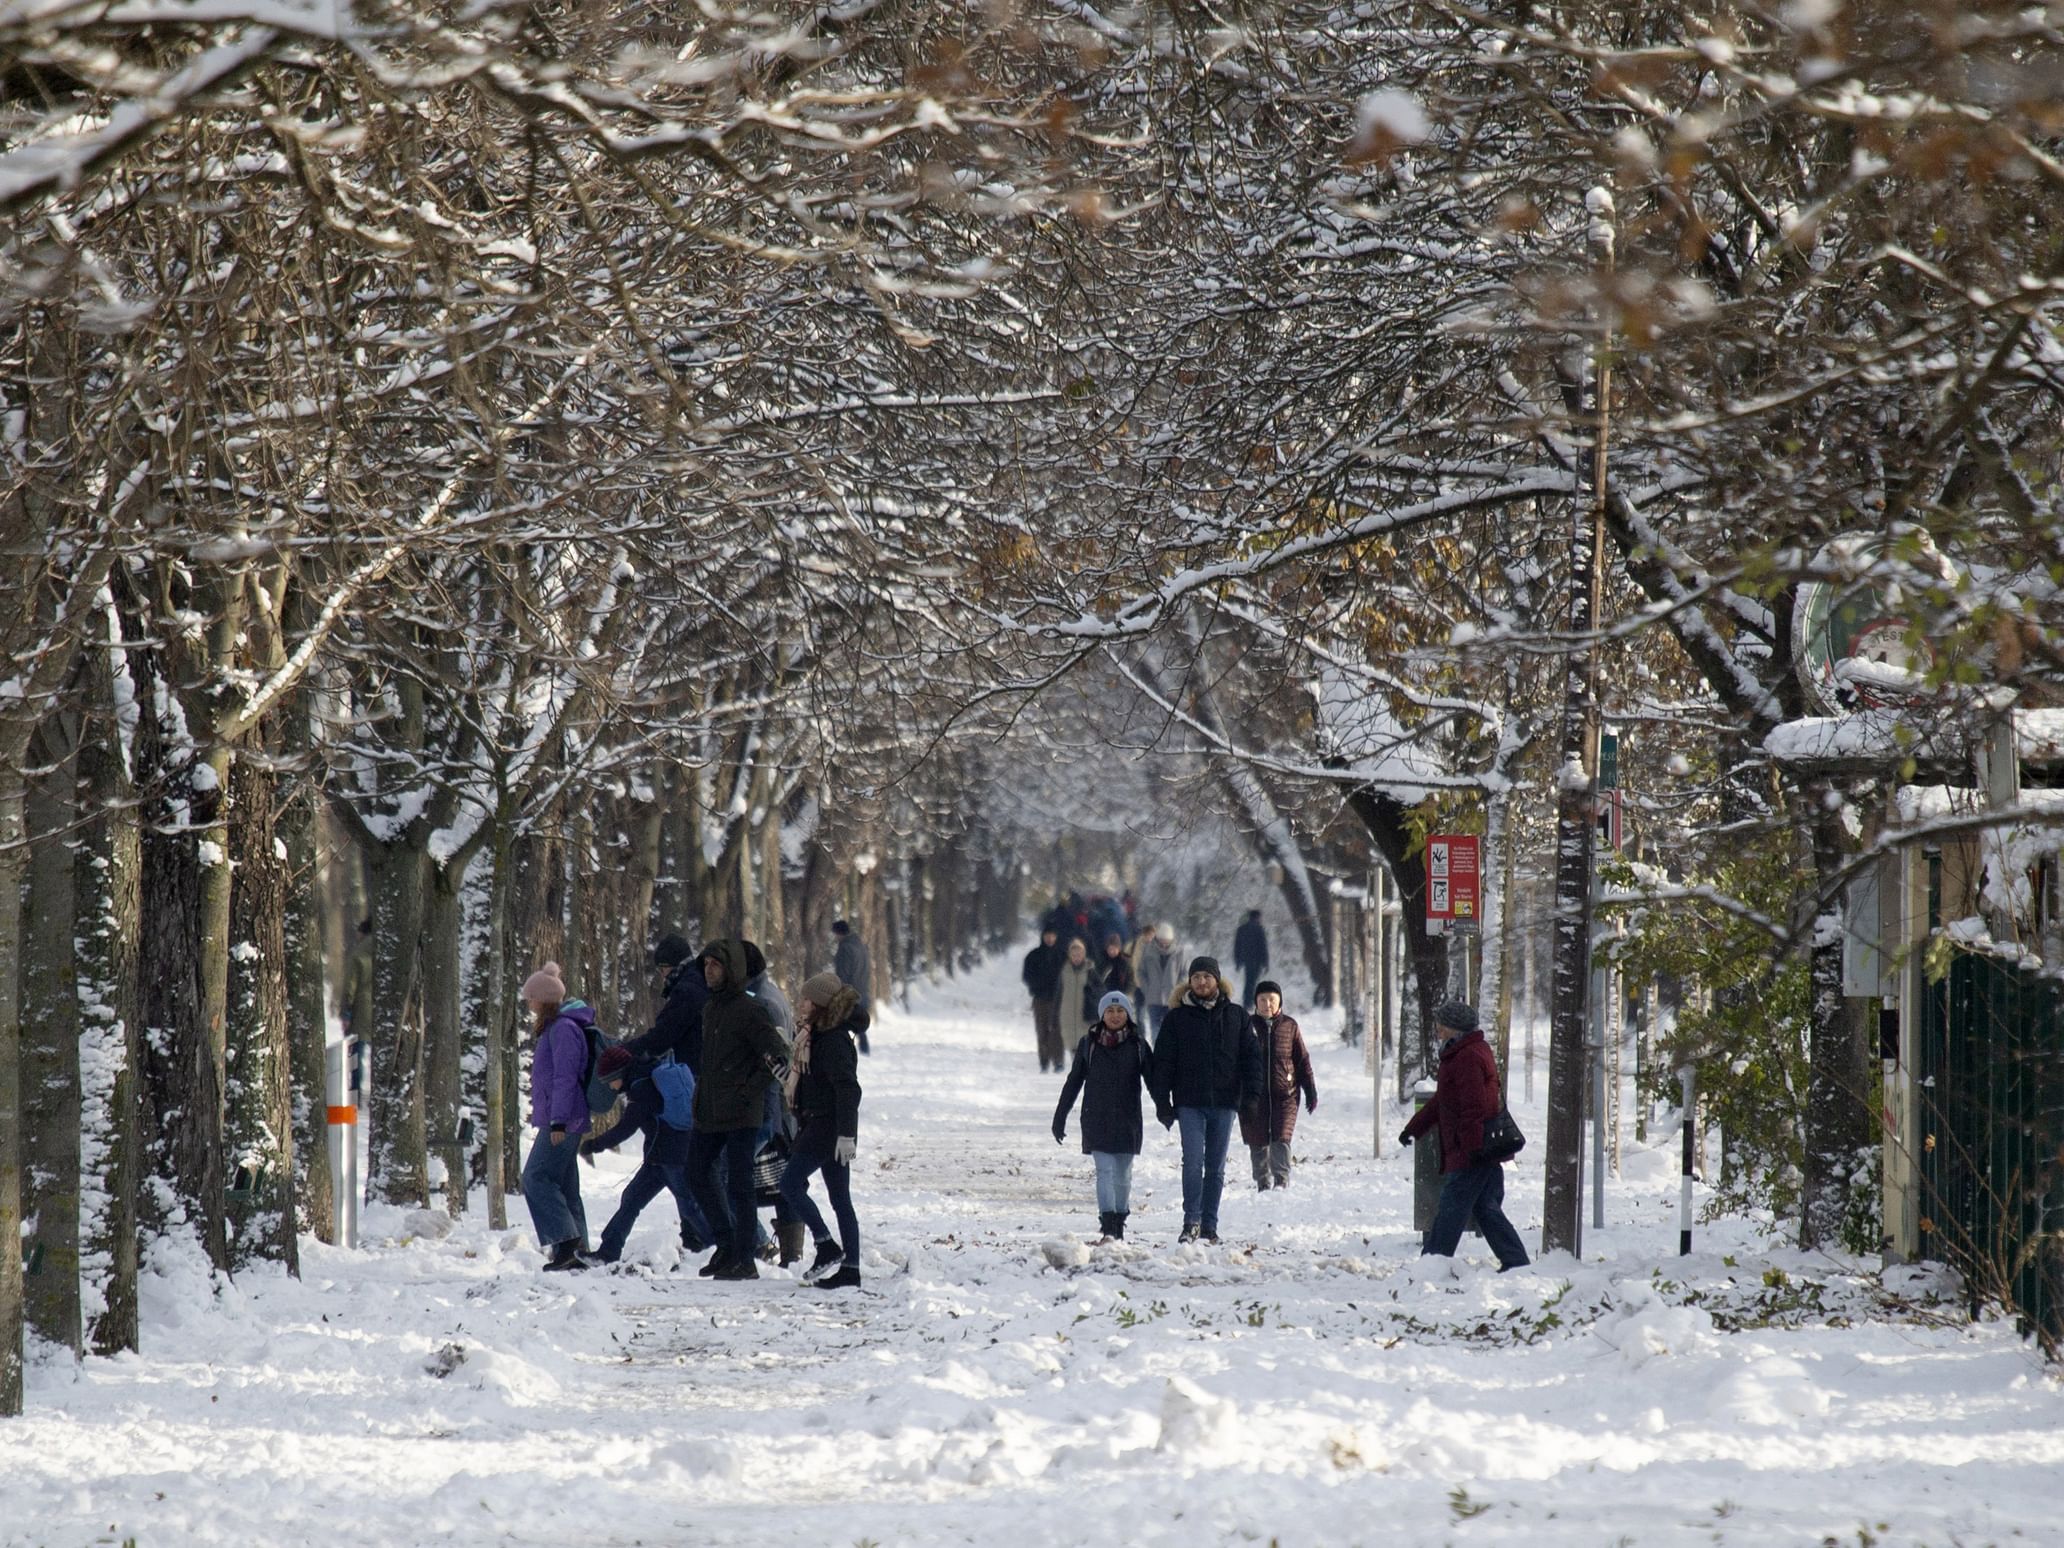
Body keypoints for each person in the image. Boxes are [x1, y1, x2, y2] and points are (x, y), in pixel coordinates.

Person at [685, 940, 791, 1281]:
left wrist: (750, 1088)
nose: (709, 971)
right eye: (706, 965)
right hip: (711, 1109)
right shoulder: (710, 1008)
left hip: (743, 1112)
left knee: (740, 1185)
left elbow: (778, 1054)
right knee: (696, 1172)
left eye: (716, 965)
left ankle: (745, 1257)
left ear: (731, 970)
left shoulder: (752, 1010)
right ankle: (727, 1243)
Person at [1399, 1000, 1529, 1272]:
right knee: (1486, 1209)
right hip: (1477, 1147)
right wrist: (1414, 1128)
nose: (1437, 1029)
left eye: (1441, 1024)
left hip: (1472, 1149)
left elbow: (1474, 1107)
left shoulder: (1468, 1056)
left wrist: (1471, 1149)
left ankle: (1432, 1263)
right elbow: (1442, 1102)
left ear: (1453, 1028)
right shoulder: (1461, 1053)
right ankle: (1516, 1262)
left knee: (1452, 1208)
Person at [1154, 956, 1261, 1244]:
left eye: (1207, 977)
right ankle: (1191, 1220)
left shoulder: (1237, 1016)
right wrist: (1162, 1101)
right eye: (1196, 977)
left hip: (1225, 1103)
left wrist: (1251, 1097)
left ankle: (1210, 1224)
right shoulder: (1176, 1018)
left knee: (1216, 1166)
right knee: (1192, 1162)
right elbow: (1162, 1062)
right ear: (1189, 982)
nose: (1202, 982)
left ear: (1217, 980)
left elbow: (1251, 1058)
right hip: (1189, 1101)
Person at [580, 1045, 713, 1264]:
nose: (611, 1087)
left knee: (690, 1205)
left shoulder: (641, 1088)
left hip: (673, 1157)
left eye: (609, 1081)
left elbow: (626, 1128)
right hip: (659, 1157)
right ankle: (607, 1252)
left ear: (618, 1074)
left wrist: (594, 1144)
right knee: (632, 1199)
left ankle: (720, 1249)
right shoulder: (644, 1077)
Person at [780, 971, 868, 1290]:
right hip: (820, 1123)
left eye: (806, 999)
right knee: (840, 1199)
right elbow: (814, 1081)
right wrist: (785, 1076)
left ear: (819, 1003)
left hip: (826, 1127)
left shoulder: (832, 1041)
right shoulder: (814, 1036)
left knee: (789, 1184)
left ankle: (826, 1244)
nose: (800, 1003)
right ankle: (851, 1269)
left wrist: (847, 1134)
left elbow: (847, 1089)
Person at [1052, 990, 1160, 1243]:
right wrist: (1060, 1115)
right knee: (1104, 1171)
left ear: (1128, 1014)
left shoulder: (1138, 1045)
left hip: (1127, 1118)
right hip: (1096, 1117)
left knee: (1123, 1175)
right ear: (1102, 1015)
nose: (1114, 1016)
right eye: (1109, 1011)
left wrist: (1164, 1108)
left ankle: (1120, 1218)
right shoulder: (1088, 1045)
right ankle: (1108, 1222)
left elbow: (1153, 1081)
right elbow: (1074, 1081)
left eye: (1120, 1011)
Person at [519, 962, 594, 1271]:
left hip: (565, 1120)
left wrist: (558, 1122)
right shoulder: (556, 1028)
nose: (529, 1003)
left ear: (544, 999)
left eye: (532, 998)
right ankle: (578, 1251)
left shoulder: (563, 1030)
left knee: (535, 1177)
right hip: (563, 1118)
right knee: (563, 1184)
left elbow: (564, 1078)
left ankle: (567, 1245)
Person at [1240, 981, 1317, 1190]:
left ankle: (1281, 1179)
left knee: (1282, 1136)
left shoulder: (1289, 1026)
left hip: (1286, 1094)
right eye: (1263, 1000)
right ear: (1256, 1002)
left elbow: (1302, 1060)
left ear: (1279, 1001)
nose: (1267, 1005)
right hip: (1253, 1095)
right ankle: (1262, 1181)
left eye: (1272, 1000)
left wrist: (1310, 1089)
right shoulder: (1246, 1025)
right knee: (1257, 1139)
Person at [625, 932, 708, 1073]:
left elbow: (664, 1034)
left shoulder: (686, 990)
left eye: (662, 969)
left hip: (695, 1070)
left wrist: (628, 1050)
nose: (663, 976)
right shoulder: (699, 979)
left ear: (673, 965)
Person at [1052, 937, 1099, 1070]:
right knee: (1072, 1045)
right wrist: (1053, 1016)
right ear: (1070, 956)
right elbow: (1058, 994)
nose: (1076, 957)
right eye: (1074, 955)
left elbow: (1101, 991)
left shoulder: (1090, 971)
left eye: (1079, 954)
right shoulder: (1064, 972)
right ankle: (1078, 1068)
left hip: (1085, 1014)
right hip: (1068, 1014)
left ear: (1084, 955)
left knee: (1086, 1043)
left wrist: (1093, 997)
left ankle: (1087, 1068)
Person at [1022, 925, 1065, 1072]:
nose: (1050, 938)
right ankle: (1044, 1061)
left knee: (1057, 1031)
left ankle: (1058, 1061)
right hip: (1040, 998)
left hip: (1057, 999)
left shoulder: (1062, 955)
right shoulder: (1034, 955)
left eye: (1052, 935)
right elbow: (1027, 976)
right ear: (1043, 937)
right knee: (1042, 1030)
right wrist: (1036, 987)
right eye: (1047, 935)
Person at [831, 920, 873, 1054]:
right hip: (863, 990)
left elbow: (843, 973)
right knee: (857, 1023)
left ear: (838, 933)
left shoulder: (845, 948)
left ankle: (842, 1049)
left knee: (840, 1023)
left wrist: (840, 993)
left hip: (851, 992)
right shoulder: (861, 946)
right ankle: (863, 1047)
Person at [1136, 923, 1182, 1044]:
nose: (1164, 943)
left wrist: (1179, 990)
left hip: (1172, 998)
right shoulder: (1148, 950)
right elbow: (1141, 972)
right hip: (1153, 998)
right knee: (1154, 1029)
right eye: (1162, 940)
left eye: (1167, 941)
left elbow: (1184, 973)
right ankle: (1157, 1055)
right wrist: (1147, 989)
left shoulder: (1179, 952)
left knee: (1171, 1030)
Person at [342, 918, 374, 1036]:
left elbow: (350, 984)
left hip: (361, 1011)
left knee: (357, 1050)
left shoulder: (358, 954)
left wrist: (346, 1012)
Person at [1232, 909, 1270, 1008]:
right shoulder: (1259, 929)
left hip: (1246, 960)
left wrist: (1237, 961)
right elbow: (1263, 947)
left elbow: (1237, 946)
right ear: (1257, 917)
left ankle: (1247, 1001)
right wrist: (1265, 963)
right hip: (1256, 960)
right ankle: (1249, 1002)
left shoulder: (1241, 929)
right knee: (1253, 981)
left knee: (1248, 980)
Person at [1099, 932, 1135, 1002]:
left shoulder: (1125, 962)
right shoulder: (1102, 961)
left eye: (1114, 949)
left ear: (1119, 949)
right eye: (1110, 949)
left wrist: (1127, 994)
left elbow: (1130, 981)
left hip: (1121, 995)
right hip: (1105, 995)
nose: (1112, 951)